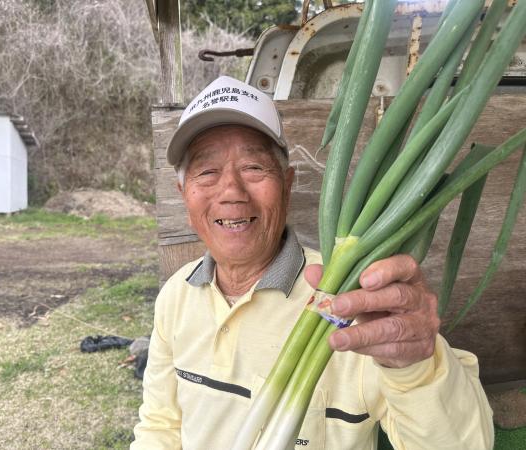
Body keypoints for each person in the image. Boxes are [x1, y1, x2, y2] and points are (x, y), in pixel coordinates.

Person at [131, 76, 493, 449]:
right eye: (207, 172)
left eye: (254, 168)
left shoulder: (352, 303)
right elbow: (160, 425)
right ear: (183, 194)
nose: (232, 192)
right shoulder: (176, 296)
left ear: (287, 185)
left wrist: (414, 365)